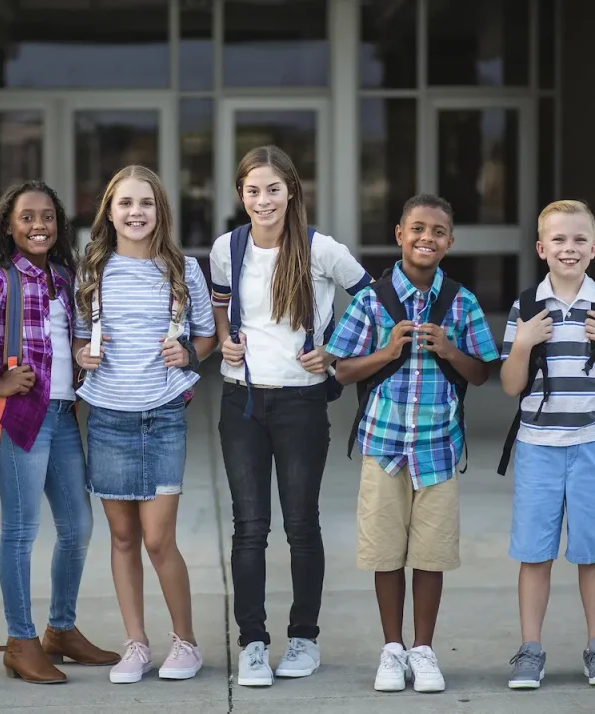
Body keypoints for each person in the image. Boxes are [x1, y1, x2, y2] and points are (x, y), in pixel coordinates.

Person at [0, 180, 119, 685]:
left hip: (62, 418)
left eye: (48, 218)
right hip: (21, 420)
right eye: (28, 218)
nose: (39, 226)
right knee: (20, 532)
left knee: (77, 526)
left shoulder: (64, 276)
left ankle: (61, 630)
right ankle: (21, 639)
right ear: (9, 227)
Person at [208, 145, 372, 687]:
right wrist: (228, 340)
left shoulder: (320, 249)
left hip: (302, 402)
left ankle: (304, 638)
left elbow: (373, 299)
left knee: (301, 526)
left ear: (292, 192)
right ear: (240, 196)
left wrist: (336, 353)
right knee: (250, 528)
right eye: (253, 190)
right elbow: (221, 306)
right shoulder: (226, 248)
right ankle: (252, 642)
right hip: (243, 402)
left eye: (273, 189)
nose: (263, 200)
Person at [326, 193, 499, 693]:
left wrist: (450, 350)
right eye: (417, 229)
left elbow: (482, 372)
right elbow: (341, 369)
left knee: (430, 554)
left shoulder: (461, 302)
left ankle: (423, 649)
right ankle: (392, 649)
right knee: (385, 552)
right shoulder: (372, 300)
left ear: (450, 242)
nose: (427, 238)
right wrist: (386, 351)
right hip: (383, 446)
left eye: (438, 231)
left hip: (439, 448)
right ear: (400, 234)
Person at [72, 165, 217, 684]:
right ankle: (135, 643)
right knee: (123, 536)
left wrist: (188, 354)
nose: (136, 212)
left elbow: (206, 338)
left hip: (162, 415)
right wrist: (80, 357)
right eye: (126, 203)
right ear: (109, 212)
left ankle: (186, 641)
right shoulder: (92, 271)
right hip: (109, 415)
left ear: (161, 211)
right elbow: (79, 337)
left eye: (146, 203)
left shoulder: (183, 270)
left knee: (158, 538)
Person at [499, 200, 595, 690]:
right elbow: (511, 386)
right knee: (534, 553)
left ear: (594, 248)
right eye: (558, 240)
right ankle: (530, 650)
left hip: (594, 444)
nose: (569, 248)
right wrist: (522, 344)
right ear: (541, 249)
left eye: (579, 240)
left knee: (592, 551)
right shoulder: (527, 307)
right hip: (539, 446)